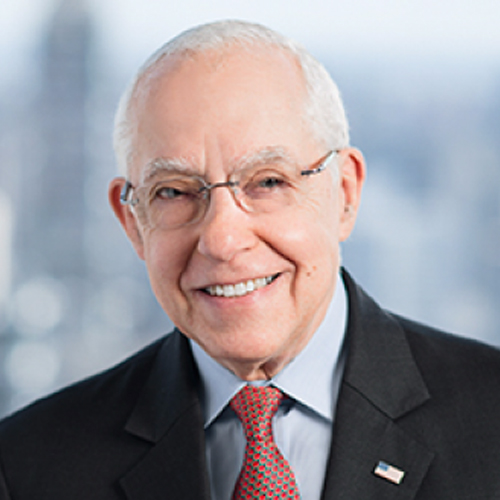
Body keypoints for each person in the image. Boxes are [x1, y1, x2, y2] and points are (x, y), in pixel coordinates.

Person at [1, 19, 500, 500]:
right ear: (133, 222)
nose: (221, 239)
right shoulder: (27, 467)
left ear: (345, 193)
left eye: (267, 182)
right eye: (174, 192)